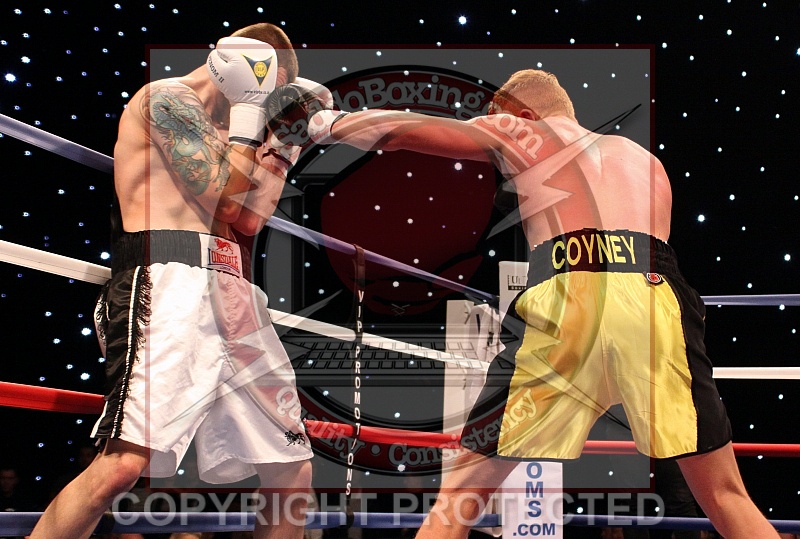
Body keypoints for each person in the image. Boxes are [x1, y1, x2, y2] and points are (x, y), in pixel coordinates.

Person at [269, 69, 779, 538]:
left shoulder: (525, 131)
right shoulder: (643, 159)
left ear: (523, 113)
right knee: (725, 495)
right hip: (656, 298)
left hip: (570, 297)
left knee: (458, 499)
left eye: (496, 117)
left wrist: (321, 123)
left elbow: (404, 131)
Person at [31, 23, 314, 539]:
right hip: (166, 281)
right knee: (121, 467)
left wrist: (283, 147)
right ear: (236, 64)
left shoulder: (240, 131)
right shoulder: (166, 99)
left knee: (291, 470)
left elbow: (250, 220)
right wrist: (249, 121)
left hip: (234, 290)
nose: (261, 101)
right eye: (262, 86)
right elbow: (225, 202)